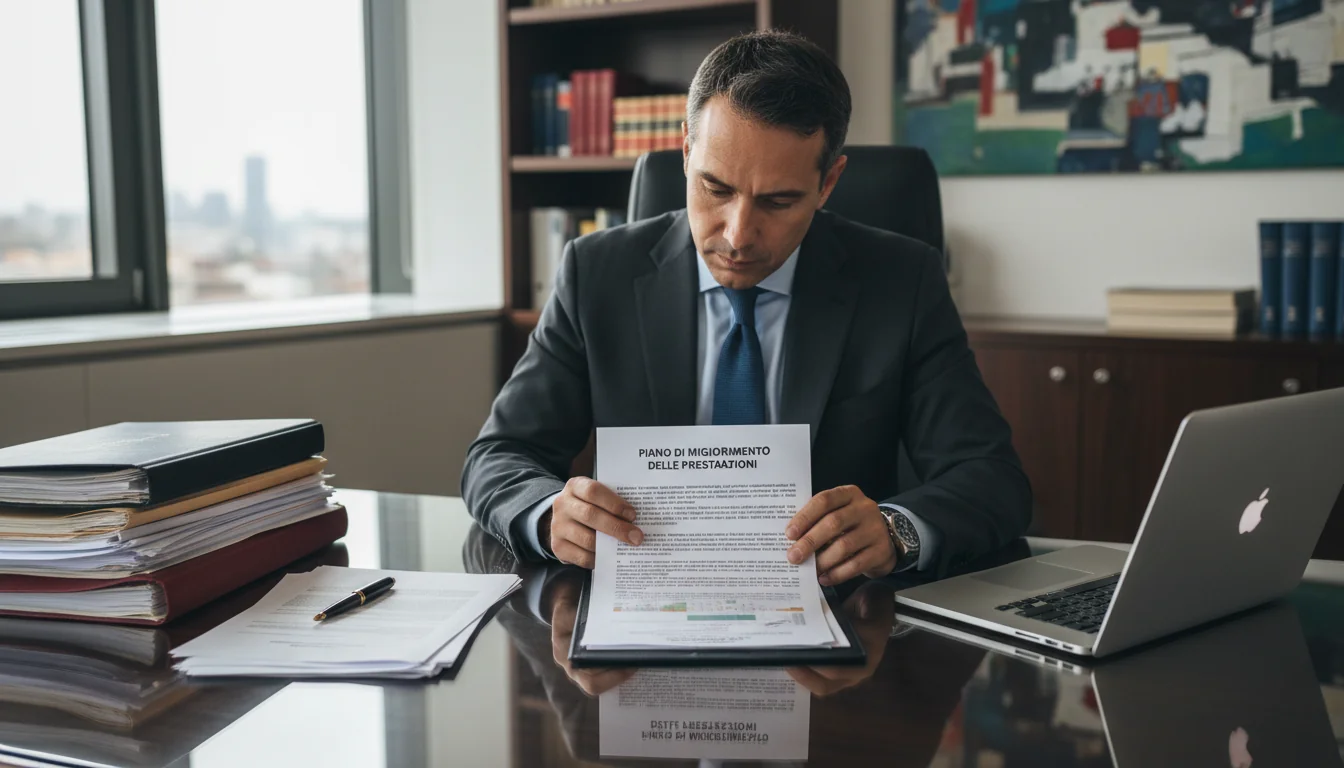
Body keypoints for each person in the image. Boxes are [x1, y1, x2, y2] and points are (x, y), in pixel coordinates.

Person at [462, 30, 1031, 583]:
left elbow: (992, 479)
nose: (738, 235)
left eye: (778, 201)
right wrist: (547, 514)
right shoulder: (596, 274)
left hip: (841, 617)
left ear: (829, 182)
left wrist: (896, 529)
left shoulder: (901, 282)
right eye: (716, 189)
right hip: (647, 604)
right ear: (686, 151)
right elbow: (499, 455)